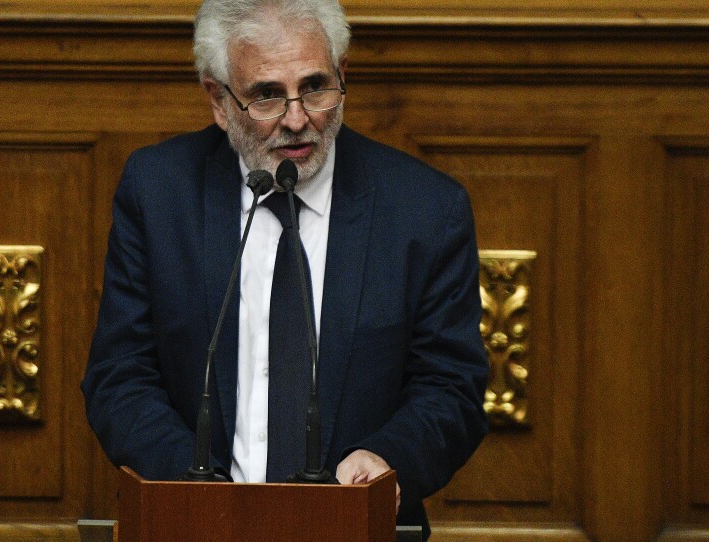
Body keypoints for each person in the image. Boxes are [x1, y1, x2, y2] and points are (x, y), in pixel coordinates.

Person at [81, 0, 488, 535]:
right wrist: (195, 490)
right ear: (219, 101)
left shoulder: (425, 210)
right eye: (267, 95)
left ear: (342, 76)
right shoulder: (159, 192)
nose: (297, 120)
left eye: (315, 87)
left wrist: (389, 459)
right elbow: (120, 375)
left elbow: (452, 387)